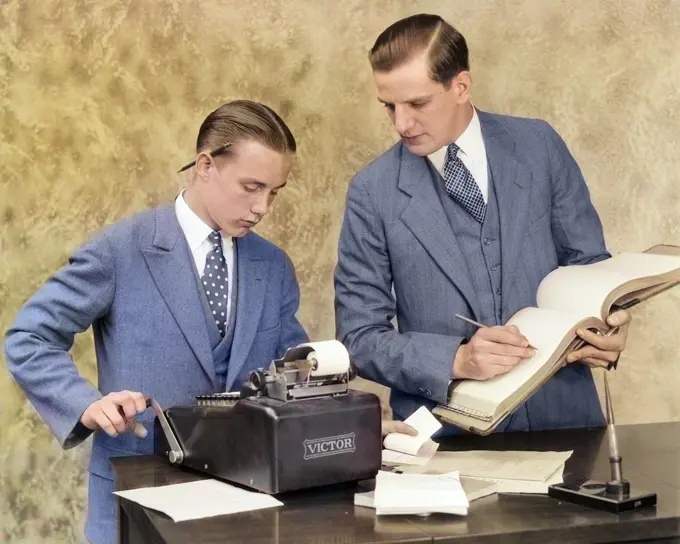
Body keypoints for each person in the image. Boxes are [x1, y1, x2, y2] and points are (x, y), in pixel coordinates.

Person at [4, 100, 311, 544]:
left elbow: (295, 369)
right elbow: (29, 337)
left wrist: (352, 418)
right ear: (206, 166)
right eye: (251, 186)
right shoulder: (120, 249)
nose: (262, 206)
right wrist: (86, 404)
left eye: (274, 192)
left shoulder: (273, 265)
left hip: (249, 504)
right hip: (135, 503)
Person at [334, 14, 631, 435]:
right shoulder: (371, 191)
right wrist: (455, 360)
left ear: (461, 86)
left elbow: (589, 266)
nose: (401, 123)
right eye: (390, 106)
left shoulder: (539, 146)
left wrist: (609, 326)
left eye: (417, 103)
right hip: (443, 442)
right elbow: (359, 337)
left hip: (567, 424)